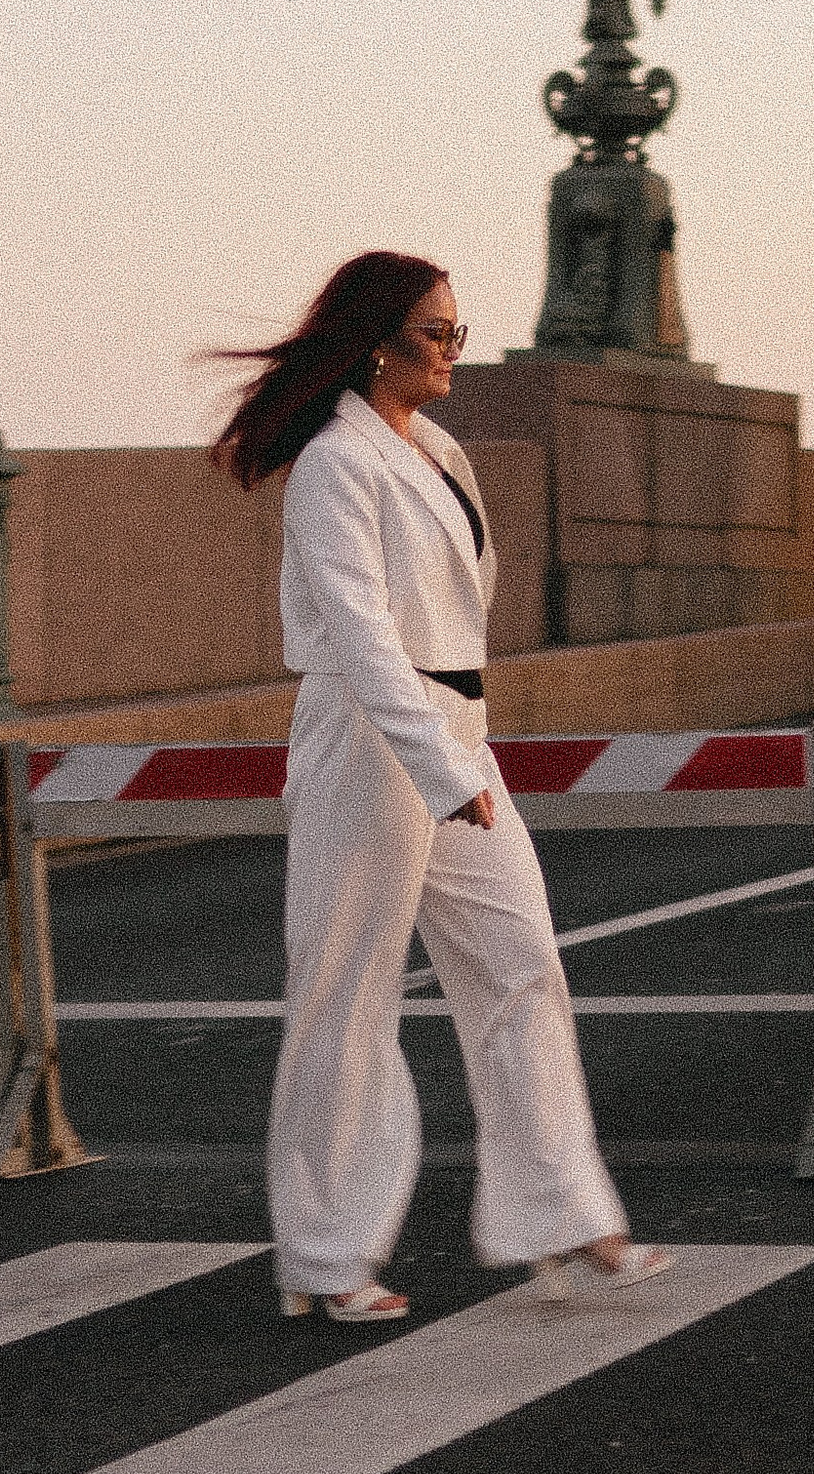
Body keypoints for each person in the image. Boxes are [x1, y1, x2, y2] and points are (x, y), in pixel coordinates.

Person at [210, 251, 671, 1323]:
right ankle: (327, 1257)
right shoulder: (337, 464)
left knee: (519, 963)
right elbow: (364, 637)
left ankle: (561, 1213)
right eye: (435, 332)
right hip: (373, 738)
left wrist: (459, 753)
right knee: (347, 995)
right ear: (376, 343)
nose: (452, 350)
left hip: (454, 727)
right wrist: (438, 765)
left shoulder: (439, 450)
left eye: (457, 330)